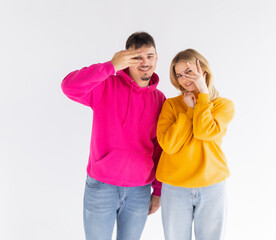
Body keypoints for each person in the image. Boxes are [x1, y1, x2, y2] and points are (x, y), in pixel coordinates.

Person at [61, 32, 165, 240]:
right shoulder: (106, 86)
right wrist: (110, 66)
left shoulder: (160, 100)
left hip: (139, 191)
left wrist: (158, 191)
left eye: (150, 56)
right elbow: (68, 86)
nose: (145, 62)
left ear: (156, 58)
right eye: (138, 57)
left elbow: (160, 148)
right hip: (102, 186)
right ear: (126, 58)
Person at [156, 48, 235, 240]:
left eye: (189, 72)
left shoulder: (223, 105)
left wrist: (203, 98)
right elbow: (169, 145)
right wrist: (189, 112)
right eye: (179, 75)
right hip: (175, 187)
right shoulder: (171, 105)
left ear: (203, 72)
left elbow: (204, 132)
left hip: (212, 185)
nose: (184, 79)